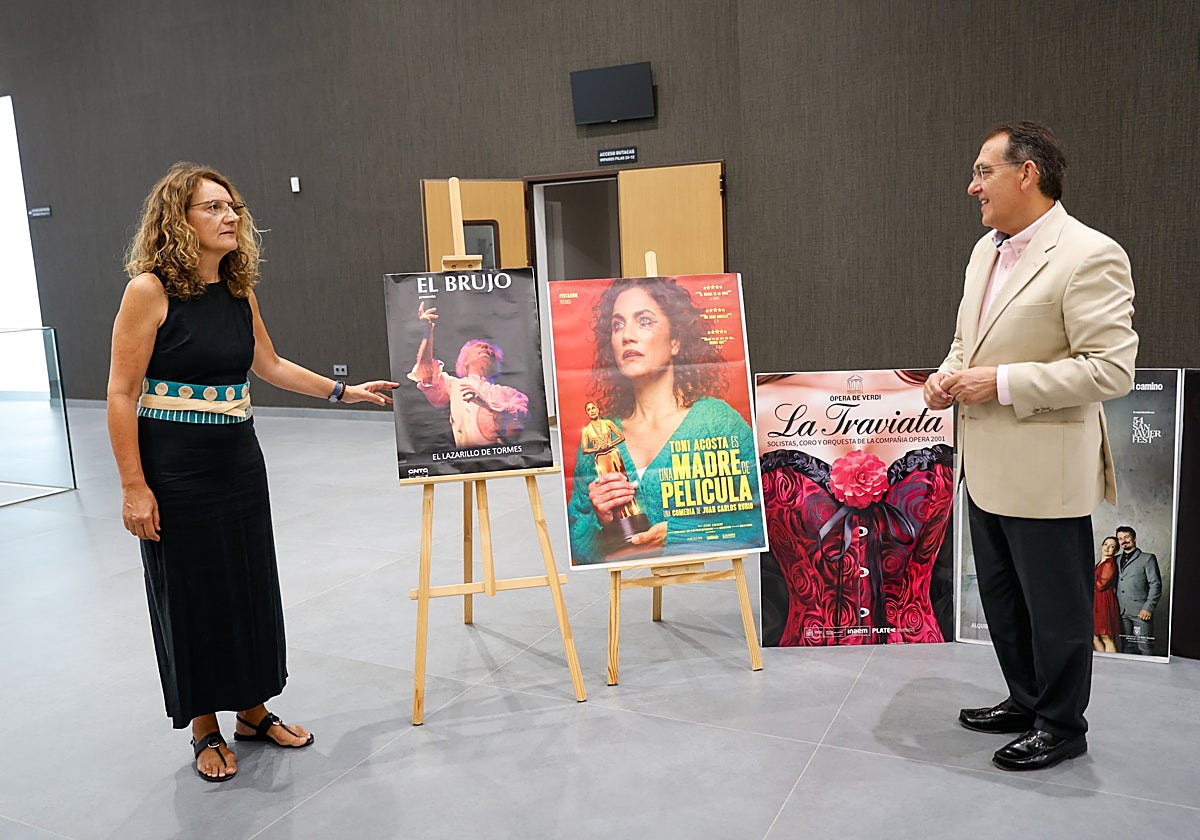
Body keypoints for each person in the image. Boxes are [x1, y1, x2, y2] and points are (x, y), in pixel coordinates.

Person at [107, 162, 398, 782]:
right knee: (191, 592)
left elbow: (268, 364)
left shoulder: (237, 291)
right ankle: (204, 727)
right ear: (177, 221)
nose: (230, 216)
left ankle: (253, 710)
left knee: (246, 583)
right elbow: (120, 392)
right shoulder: (149, 291)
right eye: (212, 208)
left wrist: (343, 392)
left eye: (231, 206)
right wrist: (134, 486)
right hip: (175, 468)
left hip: (238, 461)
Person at [924, 122, 1137, 771]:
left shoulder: (1089, 254)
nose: (973, 186)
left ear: (1028, 174)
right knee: (1004, 596)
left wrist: (1004, 383)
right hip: (985, 465)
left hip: (1047, 468)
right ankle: (1026, 699)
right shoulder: (984, 253)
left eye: (984, 171)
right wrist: (945, 375)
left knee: (1057, 608)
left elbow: (1111, 369)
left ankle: (1062, 724)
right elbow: (970, 343)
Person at [567, 276, 763, 564]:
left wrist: (675, 534)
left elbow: (758, 521)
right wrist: (601, 519)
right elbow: (580, 548)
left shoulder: (718, 423)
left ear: (675, 341)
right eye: (618, 325)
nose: (627, 336)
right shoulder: (600, 438)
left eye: (644, 321)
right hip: (632, 597)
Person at [408, 301, 529, 448]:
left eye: (490, 349)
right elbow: (425, 373)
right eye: (479, 347)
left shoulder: (509, 393)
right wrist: (427, 333)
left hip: (503, 460)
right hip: (467, 460)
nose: (486, 347)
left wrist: (488, 405)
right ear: (464, 361)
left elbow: (520, 418)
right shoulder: (453, 385)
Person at [1114, 525, 1162, 655]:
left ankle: (1148, 675)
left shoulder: (1148, 558)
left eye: (1127, 537)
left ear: (1134, 538)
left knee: (1144, 647)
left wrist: (1148, 608)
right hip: (1121, 611)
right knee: (1126, 646)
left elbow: (1155, 584)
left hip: (1140, 612)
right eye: (1120, 538)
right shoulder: (1115, 559)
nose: (1124, 540)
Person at [1093, 536, 1120, 653]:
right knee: (1094, 637)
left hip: (1104, 600)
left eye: (1112, 546)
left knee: (1106, 637)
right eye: (1106, 544)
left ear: (1116, 550)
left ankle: (1113, 666)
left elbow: (1100, 585)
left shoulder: (1109, 564)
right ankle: (1104, 663)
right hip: (1096, 600)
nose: (1108, 548)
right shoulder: (1100, 562)